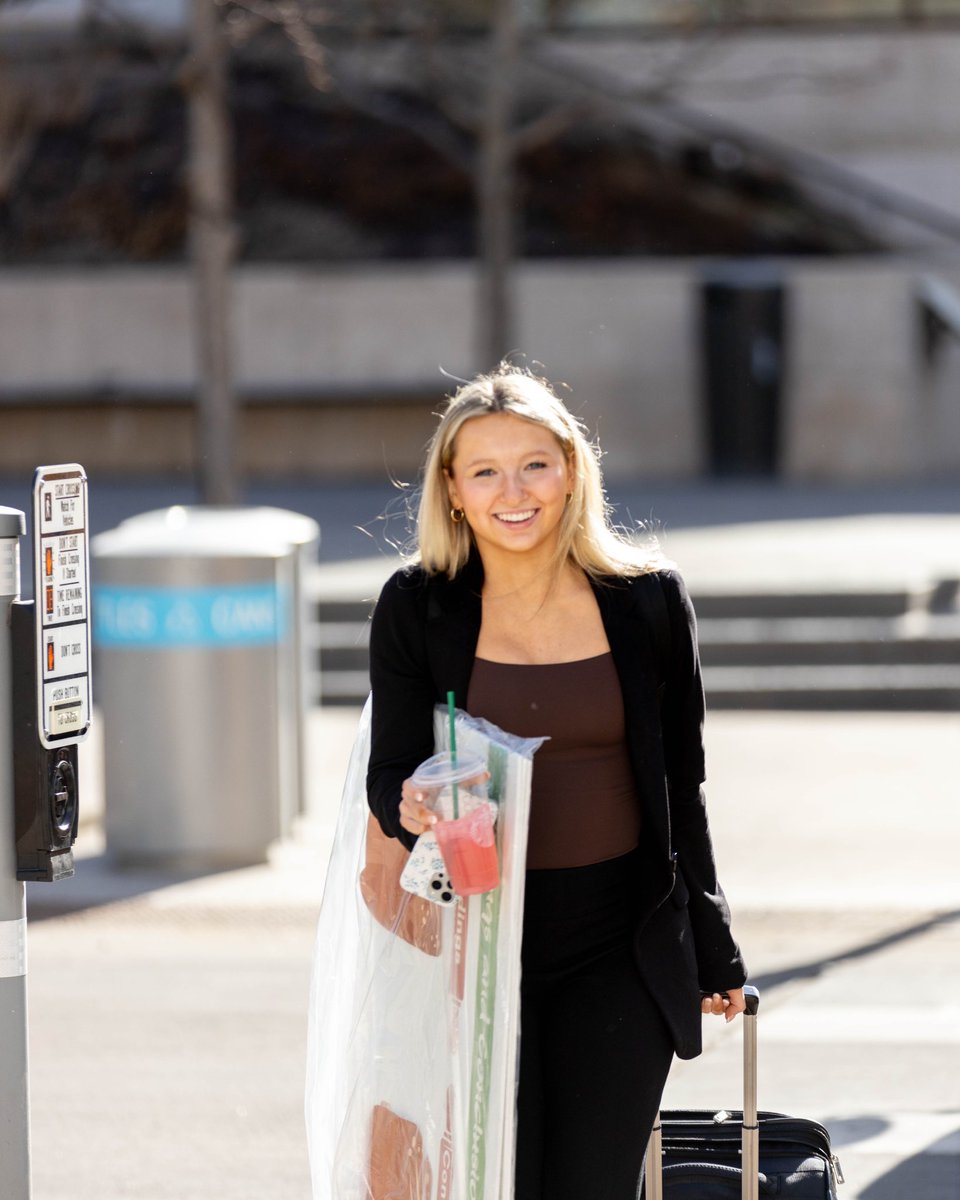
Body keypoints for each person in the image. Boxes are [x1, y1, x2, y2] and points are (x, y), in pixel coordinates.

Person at [366, 364, 747, 1200]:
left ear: (572, 468)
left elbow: (682, 787)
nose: (515, 490)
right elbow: (389, 773)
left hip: (622, 941)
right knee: (499, 1182)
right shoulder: (418, 606)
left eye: (535, 463)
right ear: (454, 491)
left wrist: (714, 946)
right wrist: (414, 803)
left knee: (593, 1184)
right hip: (478, 947)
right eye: (485, 470)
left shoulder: (648, 602)